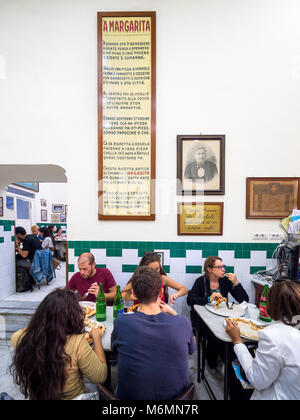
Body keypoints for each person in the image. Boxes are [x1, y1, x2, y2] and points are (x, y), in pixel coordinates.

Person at [111, 266, 195, 400]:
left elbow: (114, 352)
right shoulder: (182, 323)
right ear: (161, 291)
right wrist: (173, 313)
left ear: (134, 293)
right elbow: (192, 349)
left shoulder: (121, 322)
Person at [10, 288, 107, 400]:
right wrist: (96, 337)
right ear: (72, 318)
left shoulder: (20, 338)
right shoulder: (77, 343)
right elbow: (100, 376)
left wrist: (40, 325)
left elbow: (21, 333)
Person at [187, 255, 250, 400]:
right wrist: (208, 299)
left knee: (225, 337)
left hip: (222, 317)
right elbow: (190, 300)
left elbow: (244, 300)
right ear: (209, 269)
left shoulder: (226, 282)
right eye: (219, 267)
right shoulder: (201, 281)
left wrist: (236, 283)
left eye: (223, 266)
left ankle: (227, 364)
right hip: (203, 320)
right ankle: (216, 360)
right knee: (217, 337)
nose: (223, 269)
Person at [226, 280, 300, 400]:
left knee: (232, 367)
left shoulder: (272, 336)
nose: (222, 269)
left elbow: (256, 380)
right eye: (218, 267)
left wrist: (237, 340)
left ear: (273, 304)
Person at [122, 252, 188, 305]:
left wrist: (176, 294)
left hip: (159, 315)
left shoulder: (162, 278)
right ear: (144, 268)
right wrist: (139, 296)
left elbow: (184, 289)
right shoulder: (138, 279)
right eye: (151, 269)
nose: (155, 272)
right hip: (140, 314)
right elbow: (121, 295)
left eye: (157, 269)